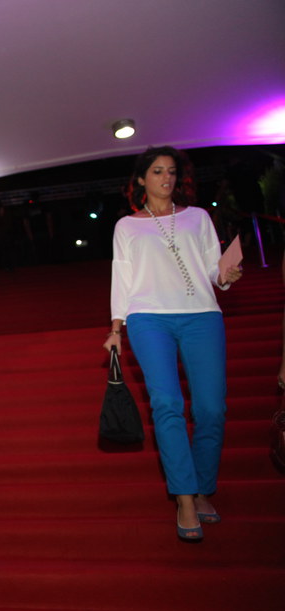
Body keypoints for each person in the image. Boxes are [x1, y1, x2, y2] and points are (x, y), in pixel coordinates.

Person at [103, 145, 243, 542]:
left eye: (171, 172)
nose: (167, 178)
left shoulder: (198, 218)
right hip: (148, 319)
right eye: (158, 171)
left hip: (202, 315)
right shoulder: (126, 227)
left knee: (211, 408)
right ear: (142, 180)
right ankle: (184, 496)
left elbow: (218, 274)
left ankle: (201, 486)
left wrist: (228, 273)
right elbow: (122, 278)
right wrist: (116, 326)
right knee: (166, 405)